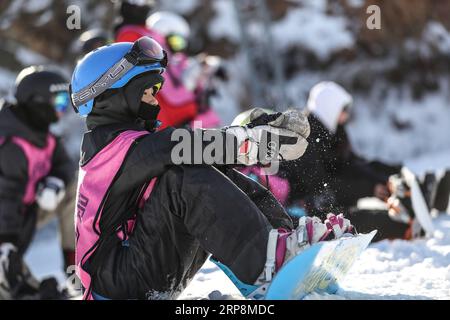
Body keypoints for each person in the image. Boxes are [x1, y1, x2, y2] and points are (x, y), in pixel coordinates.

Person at [70, 37, 355, 300]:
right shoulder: (108, 149)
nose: (155, 102)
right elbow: (177, 146)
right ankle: (269, 262)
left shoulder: (130, 145)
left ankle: (285, 241)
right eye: (146, 93)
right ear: (114, 96)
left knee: (211, 171)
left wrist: (249, 136)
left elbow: (184, 150)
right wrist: (252, 142)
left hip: (134, 270)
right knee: (182, 176)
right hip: (115, 283)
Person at [0, 66, 76, 299]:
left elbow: (64, 165)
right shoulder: (11, 141)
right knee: (15, 288)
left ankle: (77, 266)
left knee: (74, 189)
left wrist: (55, 181)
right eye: (59, 102)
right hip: (6, 225)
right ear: (38, 101)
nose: (62, 110)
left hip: (25, 214)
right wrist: (7, 243)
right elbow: (6, 195)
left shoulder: (44, 136)